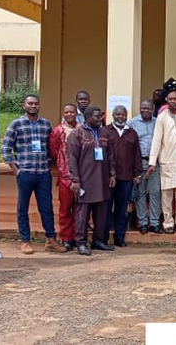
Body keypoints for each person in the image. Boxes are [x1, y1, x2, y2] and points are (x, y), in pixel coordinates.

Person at [1, 94, 61, 255]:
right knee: (23, 208)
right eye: (30, 103)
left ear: (39, 105)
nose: (33, 106)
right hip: (25, 173)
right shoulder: (16, 124)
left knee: (47, 208)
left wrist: (49, 164)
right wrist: (16, 170)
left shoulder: (46, 124)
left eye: (36, 103)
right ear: (24, 105)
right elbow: (6, 148)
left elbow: (51, 147)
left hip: (43, 174)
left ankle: (51, 240)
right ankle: (25, 241)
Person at [68, 107, 116, 255]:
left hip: (102, 180)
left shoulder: (104, 132)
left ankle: (98, 240)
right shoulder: (77, 134)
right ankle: (81, 242)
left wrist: (112, 174)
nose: (100, 118)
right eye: (96, 116)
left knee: (101, 213)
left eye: (101, 116)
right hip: (85, 180)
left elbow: (110, 155)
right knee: (83, 214)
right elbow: (72, 159)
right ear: (87, 117)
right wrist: (75, 180)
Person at [147, 90, 176, 234]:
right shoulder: (162, 117)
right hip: (166, 160)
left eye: (175, 99)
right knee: (166, 194)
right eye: (170, 99)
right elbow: (156, 140)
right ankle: (168, 222)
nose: (172, 101)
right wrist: (152, 162)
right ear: (166, 100)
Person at [103, 105, 142, 247]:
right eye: (118, 114)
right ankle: (103, 238)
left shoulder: (132, 133)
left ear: (126, 116)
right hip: (108, 178)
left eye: (123, 114)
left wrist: (137, 173)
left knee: (122, 209)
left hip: (126, 177)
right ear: (113, 115)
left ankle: (120, 238)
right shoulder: (105, 131)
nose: (120, 117)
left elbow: (137, 155)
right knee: (106, 208)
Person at [49, 103, 79, 251]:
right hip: (65, 177)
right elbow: (54, 152)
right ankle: (66, 238)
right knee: (65, 209)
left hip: (81, 177)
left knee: (79, 209)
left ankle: (77, 237)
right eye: (66, 112)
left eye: (72, 112)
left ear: (76, 113)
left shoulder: (82, 130)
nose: (69, 114)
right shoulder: (58, 131)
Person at [128, 100, 161, 234]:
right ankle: (142, 222)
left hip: (154, 163)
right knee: (140, 193)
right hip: (139, 163)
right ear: (140, 108)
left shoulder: (157, 122)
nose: (146, 110)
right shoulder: (132, 123)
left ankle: (154, 223)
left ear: (153, 109)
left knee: (155, 192)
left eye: (149, 108)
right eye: (143, 108)